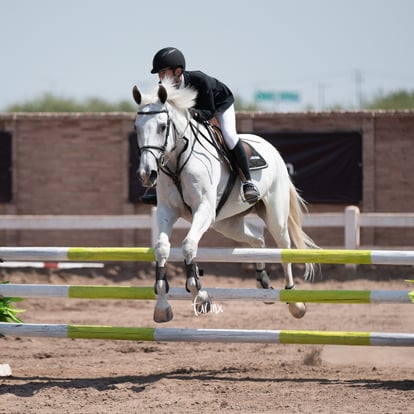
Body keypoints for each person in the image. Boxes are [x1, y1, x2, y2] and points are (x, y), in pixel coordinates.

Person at [149, 46, 260, 204]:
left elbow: (208, 112)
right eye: (159, 74)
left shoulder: (200, 80)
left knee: (228, 135)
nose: (160, 78)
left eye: (163, 72)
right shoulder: (163, 89)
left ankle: (248, 182)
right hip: (192, 114)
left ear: (178, 71)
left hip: (219, 104)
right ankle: (161, 190)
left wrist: (191, 114)